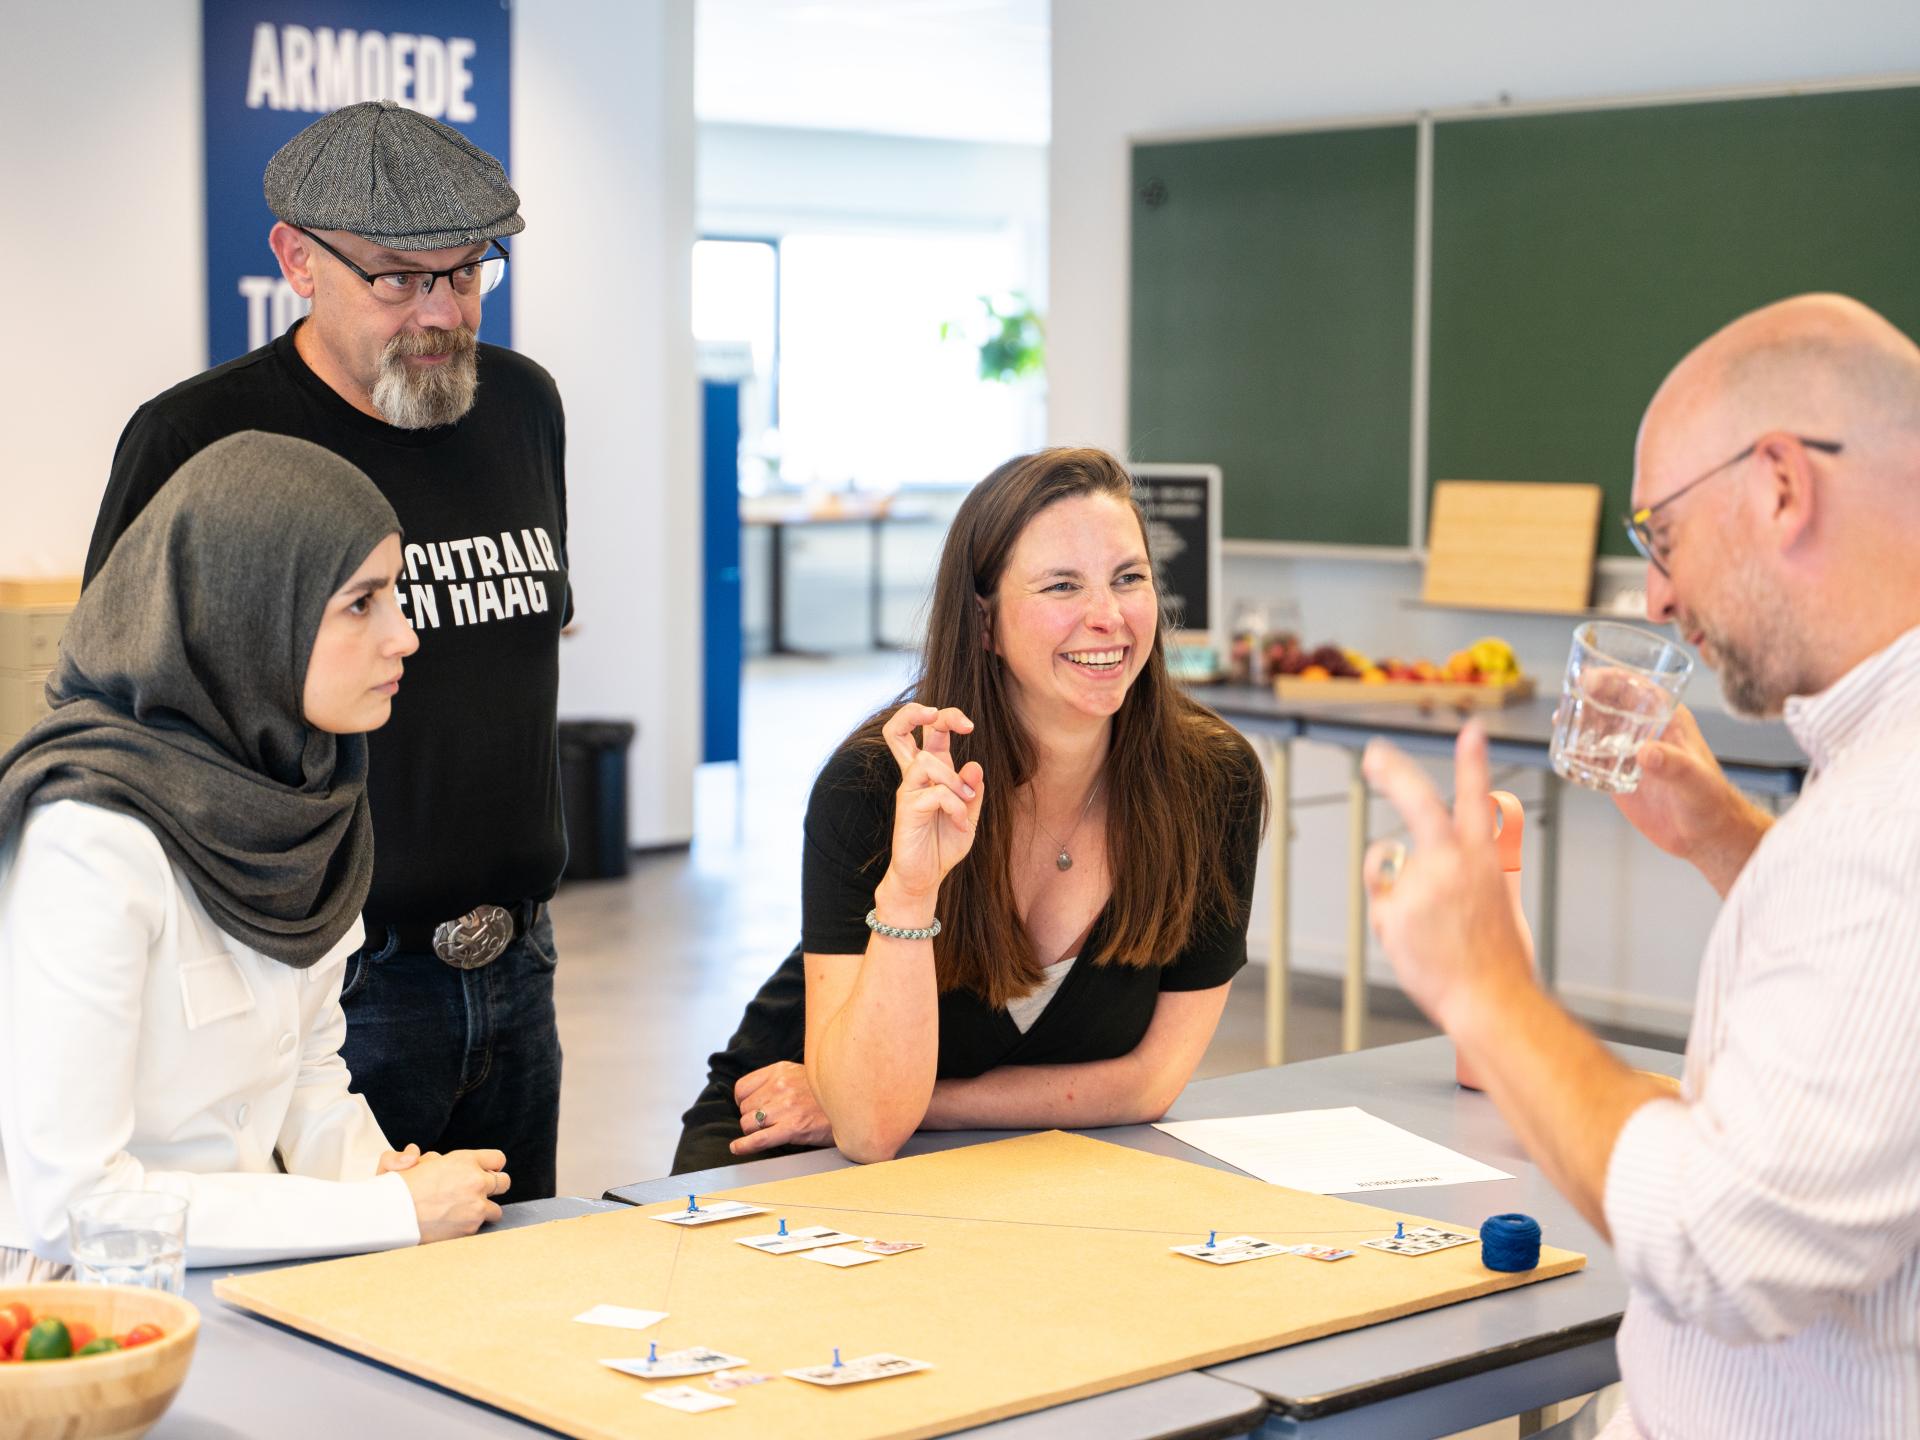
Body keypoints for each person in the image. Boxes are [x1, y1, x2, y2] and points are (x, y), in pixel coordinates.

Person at [1361, 294, 1920, 1438]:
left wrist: (1483, 988)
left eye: (1661, 538)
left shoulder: (1884, 820)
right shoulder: (1874, 771)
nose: (1657, 597)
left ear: (1778, 486)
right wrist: (1726, 839)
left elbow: (1724, 1249)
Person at [83, 101, 571, 1199]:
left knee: (514, 1306)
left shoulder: (523, 407)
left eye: (469, 272)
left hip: (519, 968)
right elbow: (130, 718)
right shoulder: (202, 441)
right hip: (324, 984)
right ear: (297, 259)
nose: (443, 313)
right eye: (398, 278)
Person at [0, 432, 511, 1279]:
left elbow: (306, 1070)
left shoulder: (305, 790)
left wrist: (380, 1174)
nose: (405, 636)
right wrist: (382, 1211)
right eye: (362, 602)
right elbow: (74, 1204)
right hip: (85, 1302)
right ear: (248, 614)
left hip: (241, 1265)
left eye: (396, 595)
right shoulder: (91, 838)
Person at [675, 447, 1267, 1173]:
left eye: (1128, 578)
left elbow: (1149, 1082)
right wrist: (914, 887)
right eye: (1061, 586)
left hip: (976, 1145)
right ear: (984, 622)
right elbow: (867, 1132)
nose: (1107, 617)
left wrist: (925, 1104)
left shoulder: (1213, 783)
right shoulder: (877, 782)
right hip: (784, 1133)